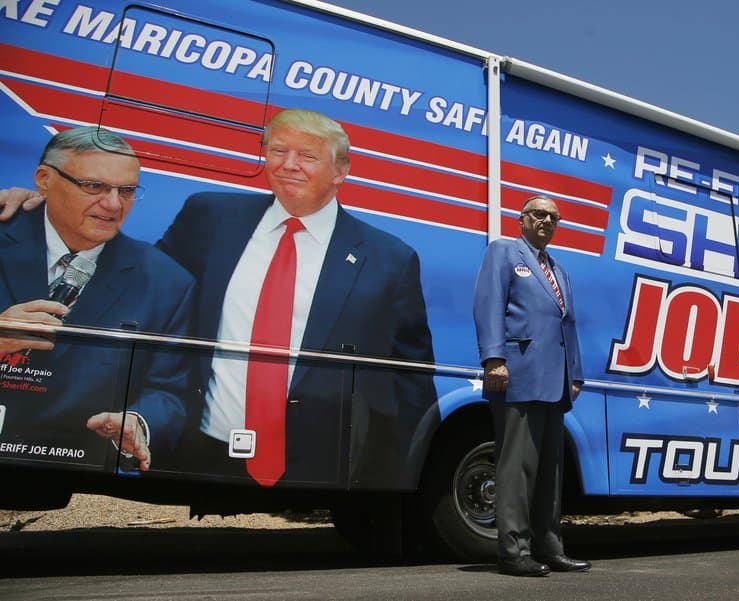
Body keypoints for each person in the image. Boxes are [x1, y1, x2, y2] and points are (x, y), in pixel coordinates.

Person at [0, 110, 437, 489]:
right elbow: (132, 275)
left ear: (341, 171)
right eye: (278, 151)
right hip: (198, 447)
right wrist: (42, 207)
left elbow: (411, 378)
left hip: (318, 458)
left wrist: (407, 471)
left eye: (307, 156)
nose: (288, 165)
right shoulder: (210, 216)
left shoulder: (390, 260)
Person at [0, 126, 195, 471]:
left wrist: (138, 420)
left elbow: (170, 392)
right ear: (44, 179)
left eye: (127, 191)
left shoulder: (167, 282)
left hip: (72, 460)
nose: (113, 204)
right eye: (94, 186)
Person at [473, 195, 590, 577]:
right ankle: (513, 552)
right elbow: (489, 304)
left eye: (554, 217)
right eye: (539, 214)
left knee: (549, 473)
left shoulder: (560, 270)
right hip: (518, 376)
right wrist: (494, 359)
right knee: (517, 469)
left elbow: (567, 324)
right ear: (521, 219)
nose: (547, 221)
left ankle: (550, 547)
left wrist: (575, 374)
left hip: (554, 383)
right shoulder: (504, 252)